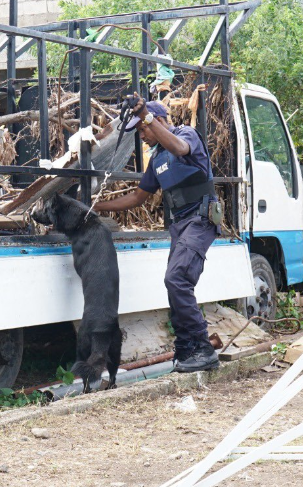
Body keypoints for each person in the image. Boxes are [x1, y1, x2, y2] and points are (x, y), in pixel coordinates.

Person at [93, 96, 220, 373]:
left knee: (176, 278)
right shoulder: (158, 158)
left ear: (159, 121)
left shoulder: (184, 135)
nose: (142, 136)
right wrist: (94, 207)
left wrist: (146, 116)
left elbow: (181, 148)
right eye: (139, 131)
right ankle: (187, 349)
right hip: (181, 224)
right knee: (176, 284)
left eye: (143, 129)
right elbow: (138, 197)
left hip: (200, 218)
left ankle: (203, 349)